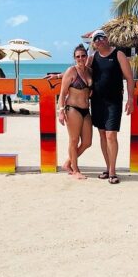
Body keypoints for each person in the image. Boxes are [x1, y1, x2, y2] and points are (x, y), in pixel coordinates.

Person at [88, 29, 134, 184]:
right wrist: (59, 76)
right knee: (102, 135)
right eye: (96, 39)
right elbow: (78, 70)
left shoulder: (118, 55)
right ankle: (108, 168)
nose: (100, 40)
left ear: (107, 39)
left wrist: (131, 99)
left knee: (111, 135)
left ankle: (113, 171)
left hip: (113, 102)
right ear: (94, 44)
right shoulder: (93, 57)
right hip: (97, 102)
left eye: (102, 37)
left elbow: (129, 78)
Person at [57, 44, 93, 179]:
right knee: (73, 140)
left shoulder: (90, 71)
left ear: (86, 56)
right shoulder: (71, 71)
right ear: (74, 58)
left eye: (83, 56)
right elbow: (62, 94)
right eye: (78, 56)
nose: (81, 58)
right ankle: (75, 170)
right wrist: (61, 111)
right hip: (72, 109)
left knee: (87, 142)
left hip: (86, 110)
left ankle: (67, 162)